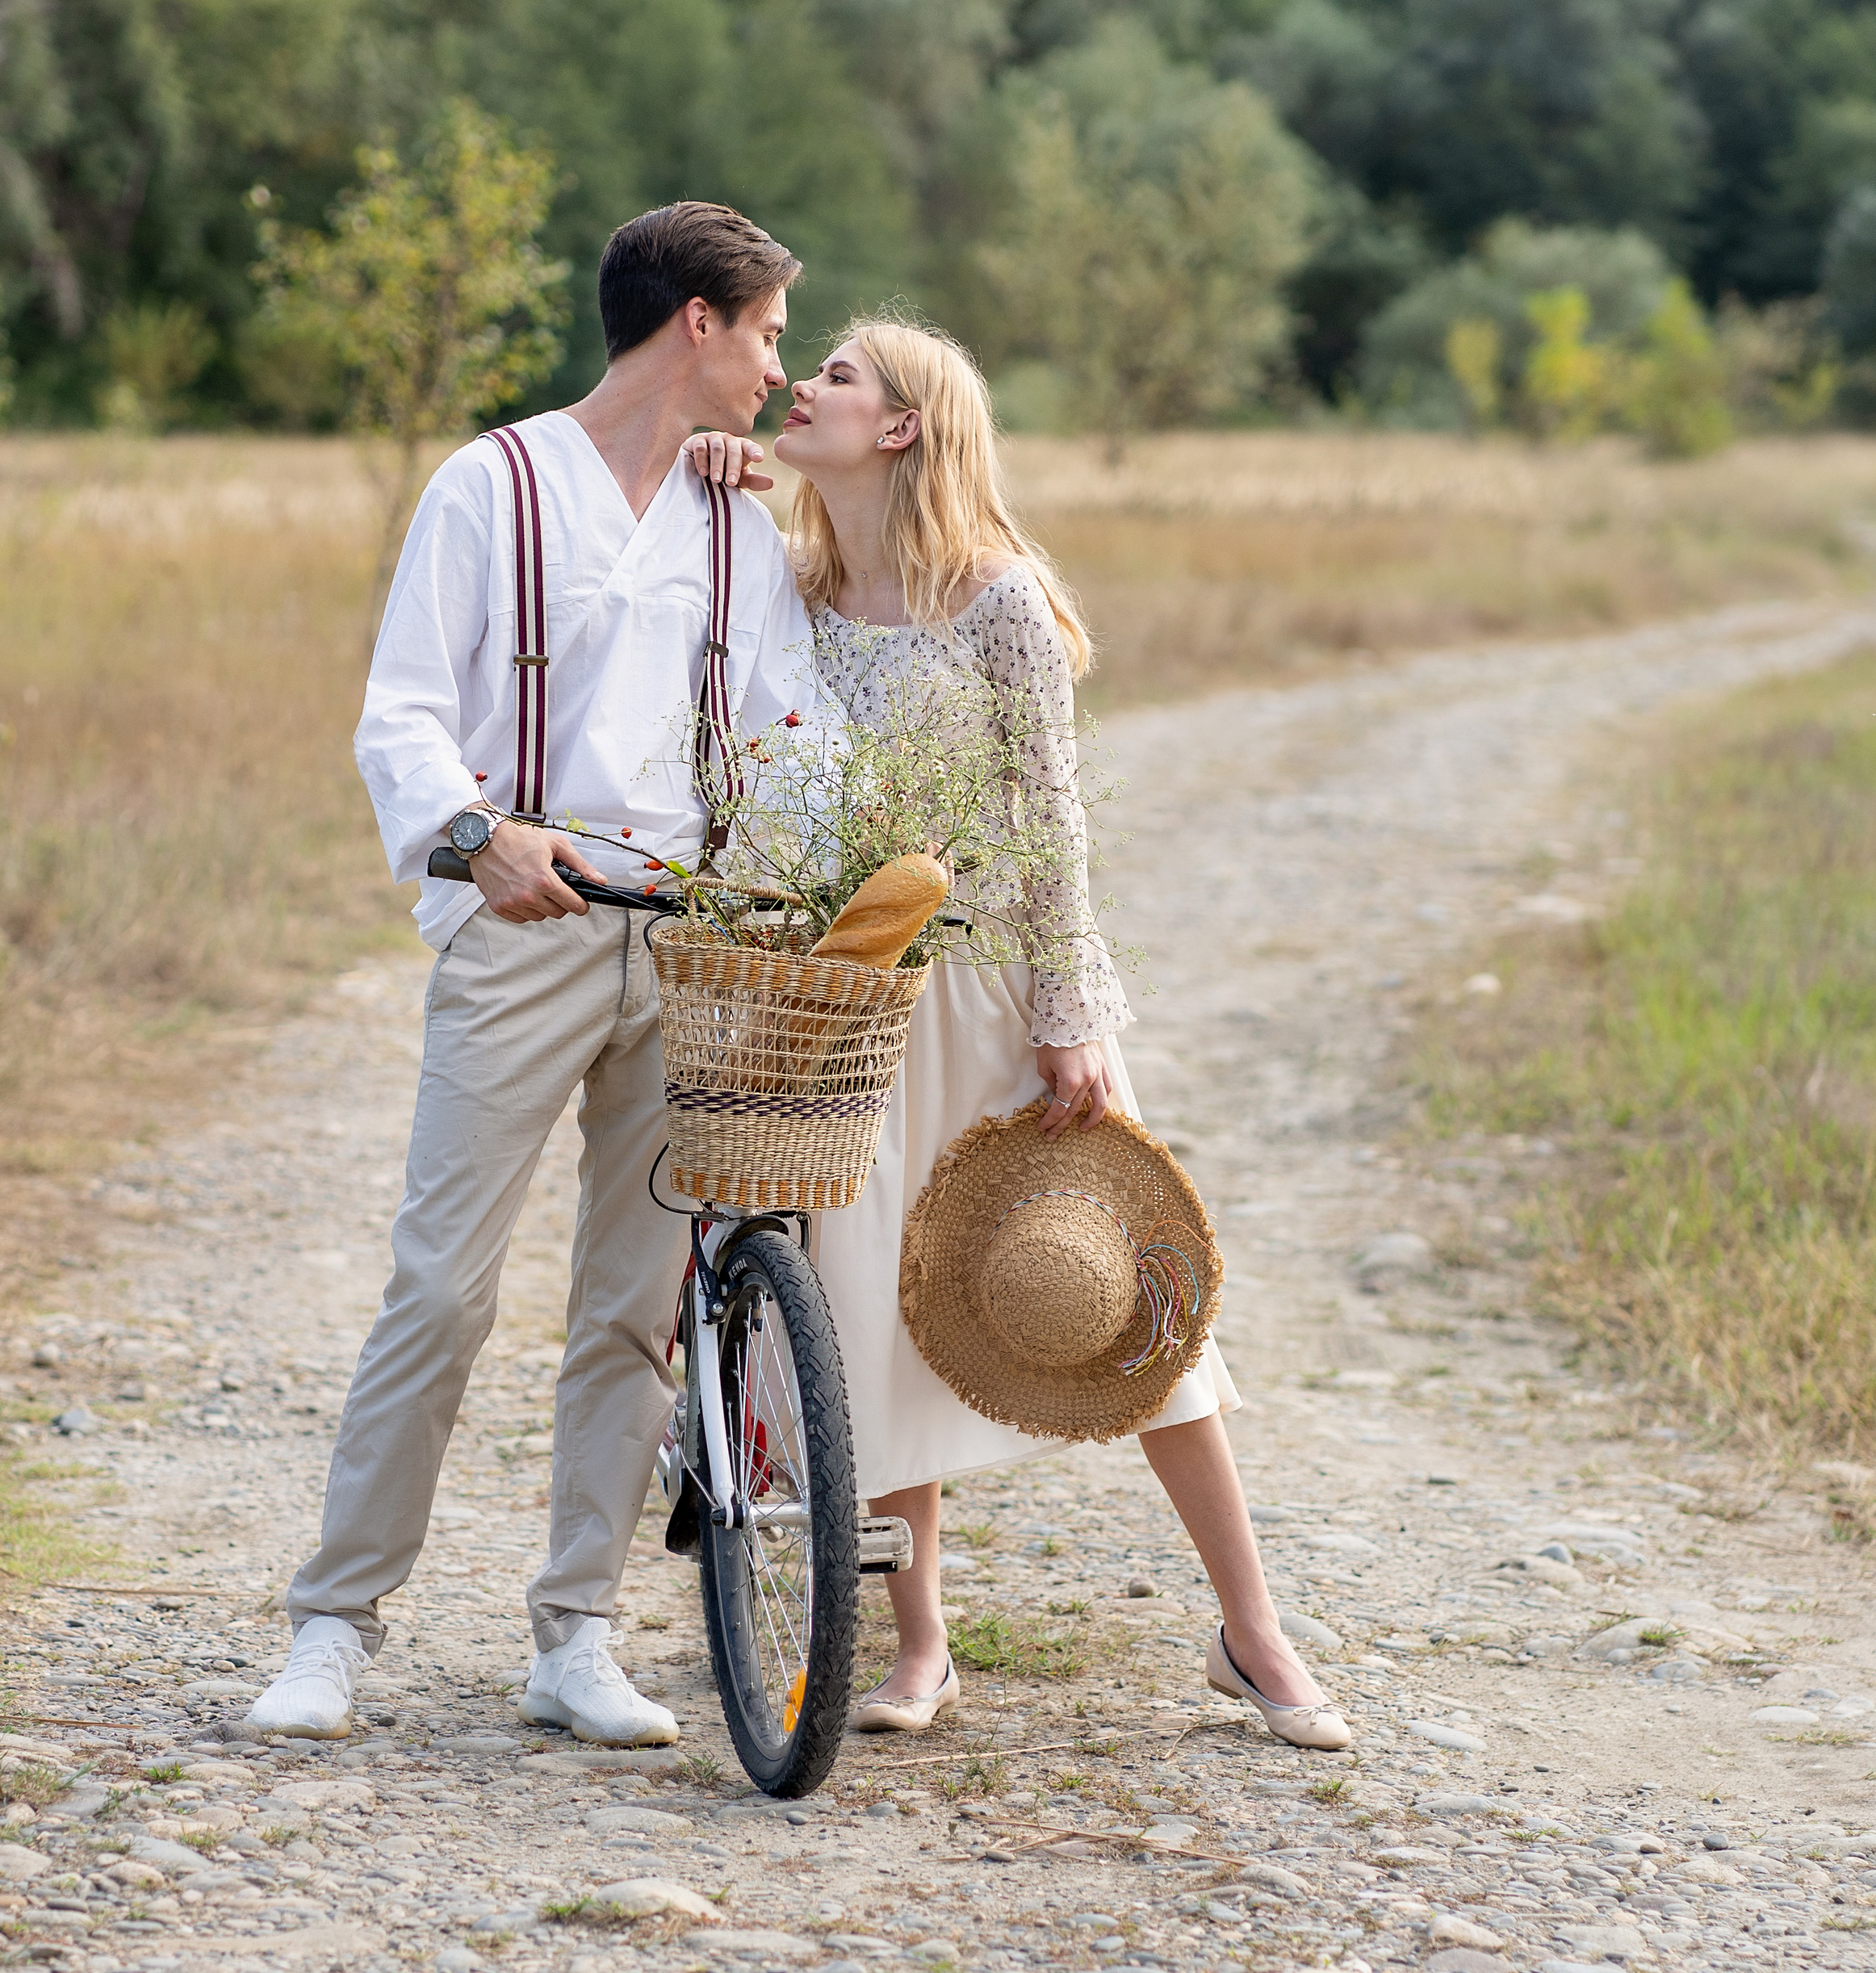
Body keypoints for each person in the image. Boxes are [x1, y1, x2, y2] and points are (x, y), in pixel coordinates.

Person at [245, 202, 810, 1746]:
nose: (777, 367)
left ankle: (578, 1635)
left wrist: (809, 878)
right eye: (765, 334)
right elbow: (403, 711)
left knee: (633, 1309)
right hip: (523, 929)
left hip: (685, 940)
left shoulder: (735, 517)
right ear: (694, 323)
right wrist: (476, 832)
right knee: (440, 1286)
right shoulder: (488, 486)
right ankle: (333, 1630)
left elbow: (786, 723)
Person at [766, 318, 1354, 1752]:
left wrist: (1069, 1014)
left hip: (1003, 993)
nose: (802, 383)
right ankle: (919, 1646)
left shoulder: (997, 599)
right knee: (877, 1313)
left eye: (837, 374)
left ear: (903, 426)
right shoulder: (788, 587)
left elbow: (1050, 823)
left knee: (1139, 1318)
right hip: (859, 994)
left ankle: (1252, 1631)